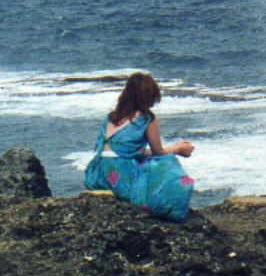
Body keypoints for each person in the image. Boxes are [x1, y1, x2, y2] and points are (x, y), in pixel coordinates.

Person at [84, 71, 196, 220]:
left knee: (150, 162)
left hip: (99, 172)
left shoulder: (111, 117)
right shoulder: (147, 118)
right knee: (168, 164)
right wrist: (178, 149)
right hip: (122, 172)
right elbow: (158, 151)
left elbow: (127, 151)